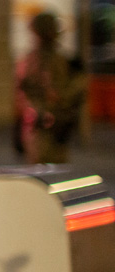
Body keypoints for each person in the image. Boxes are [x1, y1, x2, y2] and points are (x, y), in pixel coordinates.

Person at [14, 10, 87, 164]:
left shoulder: (55, 61)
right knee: (45, 169)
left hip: (53, 124)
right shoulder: (34, 61)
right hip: (41, 124)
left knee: (51, 169)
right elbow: (24, 93)